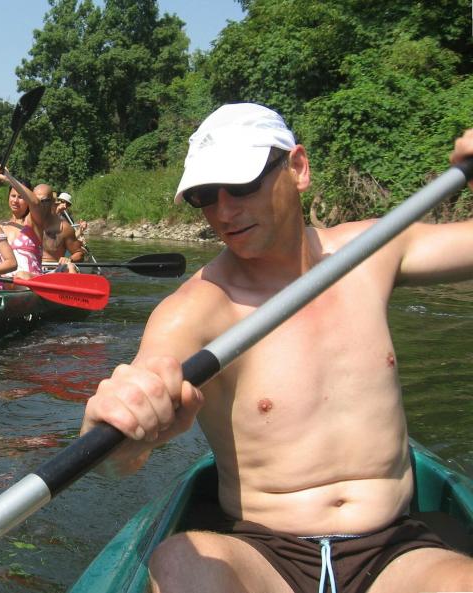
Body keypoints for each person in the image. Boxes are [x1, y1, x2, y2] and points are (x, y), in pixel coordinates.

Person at [80, 103, 473, 593]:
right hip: (266, 554)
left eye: (243, 184)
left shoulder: (371, 250)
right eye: (205, 195)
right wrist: (118, 428)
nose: (224, 212)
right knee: (178, 562)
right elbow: (119, 458)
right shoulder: (195, 310)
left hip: (396, 548)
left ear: (298, 168)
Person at [0, 168, 45, 280]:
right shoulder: (0, 228)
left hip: (29, 280)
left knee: (20, 276)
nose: (15, 201)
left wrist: (9, 178)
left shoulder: (33, 223)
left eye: (21, 197)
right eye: (13, 196)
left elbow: (35, 203)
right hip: (5, 283)